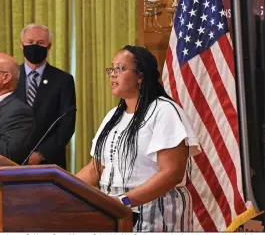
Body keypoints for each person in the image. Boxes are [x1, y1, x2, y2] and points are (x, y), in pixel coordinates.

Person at [75, 45, 201, 232]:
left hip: (156, 214)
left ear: (140, 77)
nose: (113, 74)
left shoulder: (163, 111)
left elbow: (171, 172)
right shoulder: (113, 116)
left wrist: (124, 201)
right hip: (113, 213)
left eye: (121, 68)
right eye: (112, 68)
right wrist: (63, 190)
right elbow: (96, 168)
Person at [14, 23, 76, 169]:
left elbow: (67, 124)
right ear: (22, 45)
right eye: (30, 42)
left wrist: (42, 153)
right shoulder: (10, 76)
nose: (34, 46)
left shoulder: (63, 80)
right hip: (13, 160)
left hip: (49, 162)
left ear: (49, 47)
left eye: (40, 43)